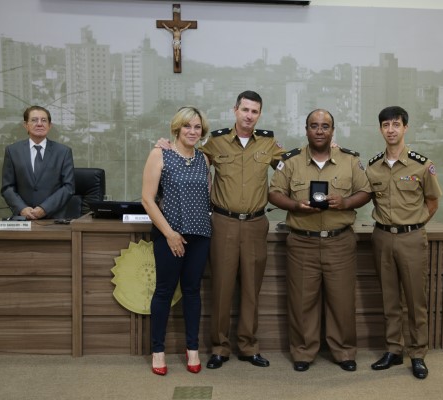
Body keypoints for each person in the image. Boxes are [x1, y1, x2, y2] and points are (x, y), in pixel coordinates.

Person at [158, 90, 285, 369]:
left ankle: (249, 347)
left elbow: (292, 167)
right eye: (245, 110)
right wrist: (163, 145)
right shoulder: (215, 143)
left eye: (255, 111)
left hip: (255, 223)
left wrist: (330, 150)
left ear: (259, 114)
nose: (249, 115)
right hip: (223, 223)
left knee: (252, 289)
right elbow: (186, 155)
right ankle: (219, 347)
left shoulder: (267, 143)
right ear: (235, 110)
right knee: (222, 288)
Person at [268, 109, 371, 372]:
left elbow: (366, 191)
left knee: (342, 300)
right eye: (314, 126)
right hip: (302, 242)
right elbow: (274, 193)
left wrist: (346, 202)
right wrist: (294, 205)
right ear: (306, 129)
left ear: (332, 131)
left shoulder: (350, 160)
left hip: (339, 242)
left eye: (325, 126)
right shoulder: (291, 161)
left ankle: (344, 351)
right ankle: (303, 352)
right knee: (302, 301)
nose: (320, 131)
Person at [366, 106, 442, 379]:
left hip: (411, 237)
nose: (391, 130)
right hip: (382, 237)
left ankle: (418, 354)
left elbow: (432, 202)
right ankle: (393, 350)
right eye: (385, 125)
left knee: (415, 299)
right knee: (390, 298)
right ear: (380, 129)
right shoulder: (372, 166)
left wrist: (415, 224)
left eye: (396, 124)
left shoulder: (421, 165)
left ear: (405, 128)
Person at [141, 106, 212, 376]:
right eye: (187, 126)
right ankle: (157, 351)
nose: (192, 131)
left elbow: (206, 198)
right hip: (169, 235)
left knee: (192, 292)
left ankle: (192, 348)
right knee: (164, 291)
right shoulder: (160, 154)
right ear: (177, 129)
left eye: (197, 127)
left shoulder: (204, 159)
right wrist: (170, 234)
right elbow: (147, 199)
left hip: (200, 235)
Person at [1, 105, 75, 220]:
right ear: (26, 125)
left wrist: (44, 208)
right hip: (23, 219)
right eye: (34, 120)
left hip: (53, 219)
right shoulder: (12, 151)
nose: (39, 124)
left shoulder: (63, 152)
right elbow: (7, 187)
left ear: (50, 126)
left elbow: (68, 187)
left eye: (44, 120)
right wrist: (22, 208)